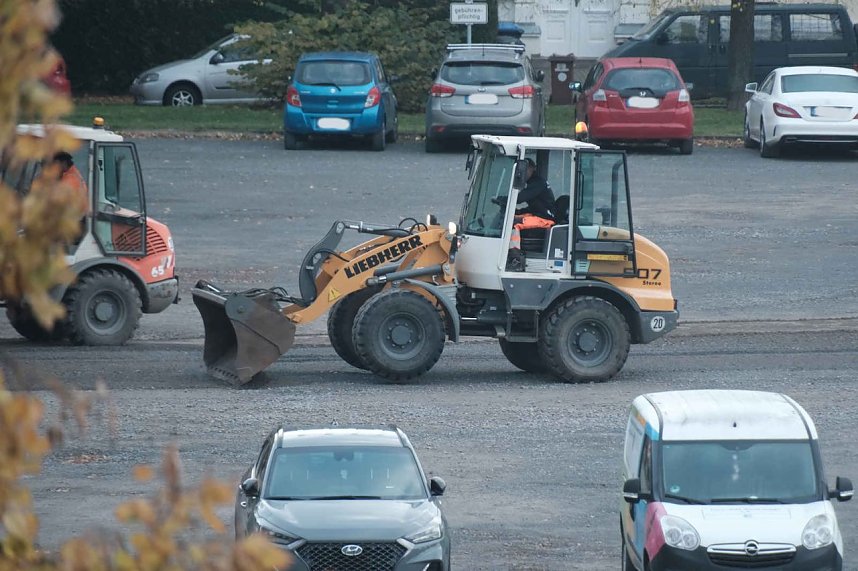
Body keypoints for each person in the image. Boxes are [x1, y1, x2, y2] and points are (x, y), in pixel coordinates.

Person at [506, 158, 556, 271]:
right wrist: (518, 212)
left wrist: (504, 199)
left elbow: (520, 198)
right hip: (537, 213)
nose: (523, 173)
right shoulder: (531, 182)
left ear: (532, 169)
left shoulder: (537, 183)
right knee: (511, 217)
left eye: (526, 169)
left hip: (545, 218)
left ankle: (515, 258)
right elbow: (535, 204)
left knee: (514, 224)